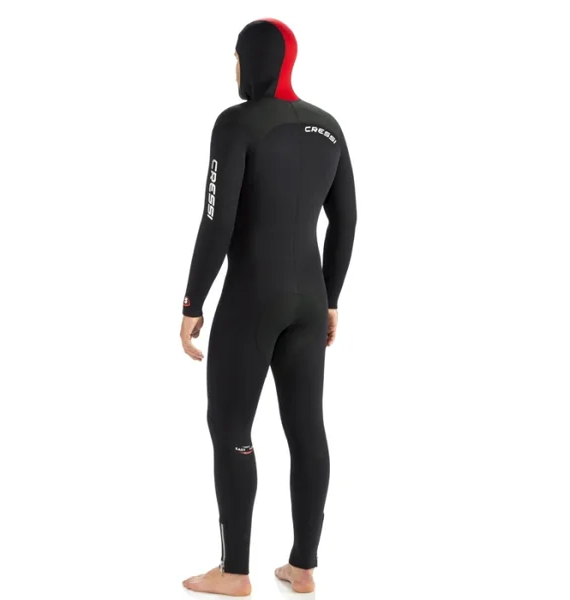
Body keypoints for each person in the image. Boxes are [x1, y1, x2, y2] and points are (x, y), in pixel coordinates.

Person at [179, 18, 356, 596]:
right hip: (309, 301)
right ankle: (303, 567)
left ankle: (234, 573)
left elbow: (217, 220)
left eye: (236, 56)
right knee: (306, 428)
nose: (233, 67)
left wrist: (193, 299)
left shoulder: (236, 123)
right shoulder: (329, 127)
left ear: (252, 59)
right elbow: (347, 218)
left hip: (252, 299)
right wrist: (331, 296)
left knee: (231, 424)